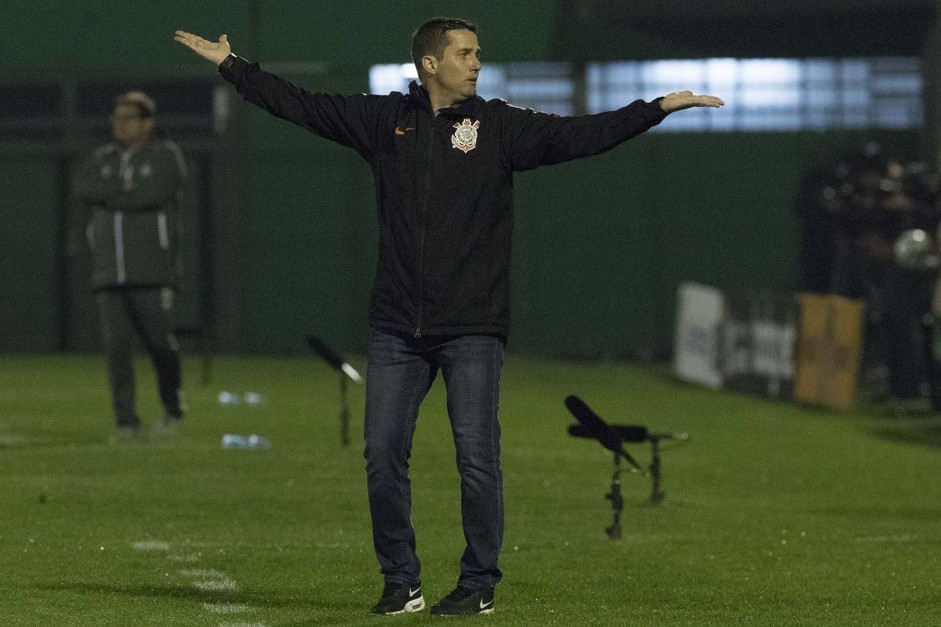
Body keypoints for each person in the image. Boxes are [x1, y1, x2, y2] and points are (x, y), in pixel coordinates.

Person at [175, 17, 723, 616]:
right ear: (430, 64)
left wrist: (655, 108)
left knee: (477, 459)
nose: (477, 63)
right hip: (395, 329)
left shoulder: (499, 127)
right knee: (382, 456)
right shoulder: (386, 122)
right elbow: (301, 106)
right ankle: (400, 581)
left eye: (478, 53)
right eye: (465, 53)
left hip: (471, 327)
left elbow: (578, 136)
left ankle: (478, 583)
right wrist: (233, 67)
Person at [73, 91, 188, 442]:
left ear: (147, 123)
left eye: (128, 118)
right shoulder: (101, 157)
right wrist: (125, 191)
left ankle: (172, 409)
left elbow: (154, 193)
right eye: (116, 118)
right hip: (108, 274)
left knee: (160, 345)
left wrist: (114, 195)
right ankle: (126, 422)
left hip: (151, 273)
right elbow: (85, 187)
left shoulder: (165, 155)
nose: (119, 125)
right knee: (116, 351)